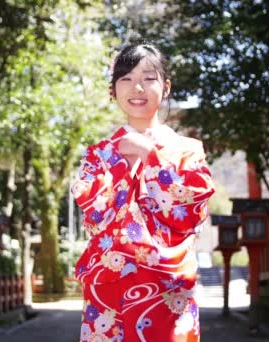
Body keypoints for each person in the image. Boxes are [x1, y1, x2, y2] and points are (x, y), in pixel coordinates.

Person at [71, 43, 215, 342]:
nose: (137, 87)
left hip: (169, 289)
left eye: (149, 77)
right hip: (108, 289)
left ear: (166, 87)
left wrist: (151, 155)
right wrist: (122, 160)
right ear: (113, 91)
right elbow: (94, 216)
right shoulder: (99, 154)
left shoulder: (189, 150)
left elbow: (190, 215)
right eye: (125, 78)